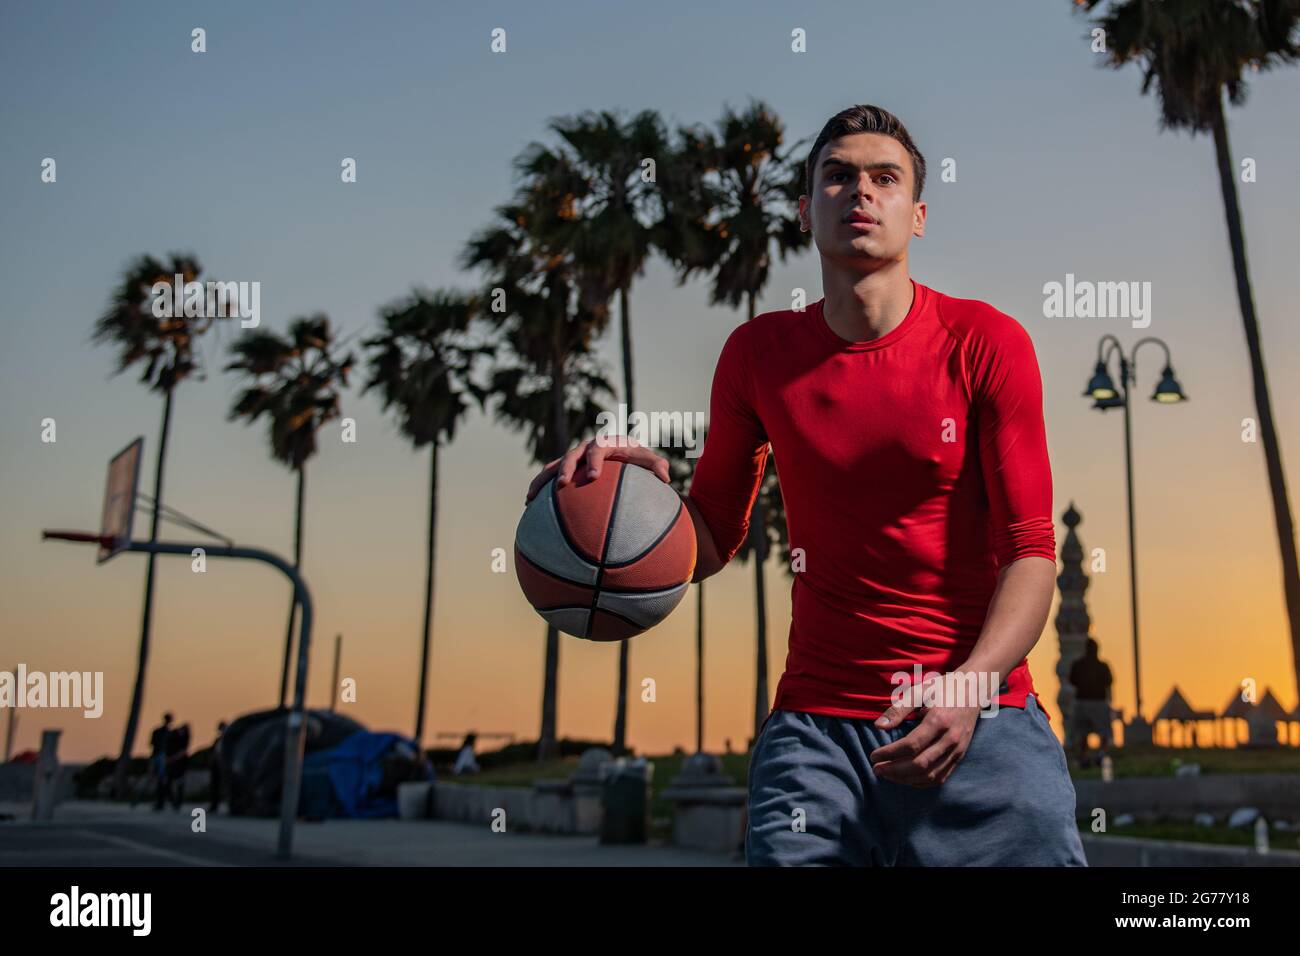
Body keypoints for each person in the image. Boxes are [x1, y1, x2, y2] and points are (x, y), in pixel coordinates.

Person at [525, 105, 1085, 867]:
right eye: (837, 176)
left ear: (916, 215)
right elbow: (711, 538)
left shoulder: (986, 343)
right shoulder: (758, 355)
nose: (861, 191)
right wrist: (637, 498)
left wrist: (969, 687)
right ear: (804, 210)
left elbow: (1029, 552)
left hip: (979, 716)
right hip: (816, 733)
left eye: (884, 178)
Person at [1068, 638, 1114, 767]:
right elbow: (1109, 683)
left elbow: (1072, 680)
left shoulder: (1078, 665)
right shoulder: (1102, 666)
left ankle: (1085, 756)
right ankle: (1101, 754)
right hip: (1099, 702)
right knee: (1102, 731)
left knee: (1083, 732)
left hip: (1083, 701)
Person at [163, 722, 191, 811]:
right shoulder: (175, 737)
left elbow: (183, 751)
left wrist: (172, 758)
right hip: (173, 763)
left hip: (180, 764)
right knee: (169, 782)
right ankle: (173, 801)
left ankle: (178, 802)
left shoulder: (184, 739)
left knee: (179, 783)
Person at [149, 712, 173, 811]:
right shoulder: (166, 732)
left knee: (161, 780)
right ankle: (161, 801)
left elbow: (152, 744)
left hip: (161, 757)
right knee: (160, 780)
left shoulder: (165, 732)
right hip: (161, 757)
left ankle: (161, 802)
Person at [209, 720, 228, 812]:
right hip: (216, 766)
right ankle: (214, 805)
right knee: (215, 786)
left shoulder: (227, 741)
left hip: (223, 767)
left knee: (222, 786)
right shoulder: (218, 740)